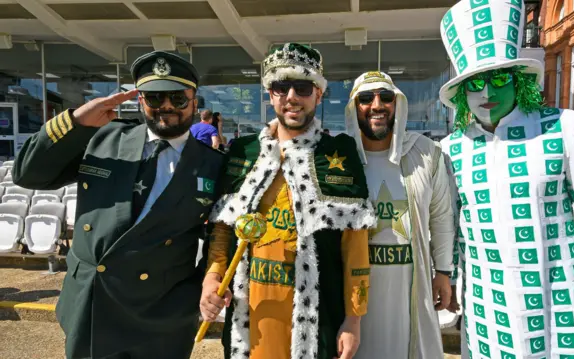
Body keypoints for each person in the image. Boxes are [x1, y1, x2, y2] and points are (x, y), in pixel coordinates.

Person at [438, 1, 574, 358]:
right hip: (486, 309)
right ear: (462, 92)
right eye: (476, 82)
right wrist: (450, 284)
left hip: (559, 304)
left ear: (519, 78)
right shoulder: (452, 148)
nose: (488, 93)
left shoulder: (564, 126)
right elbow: (454, 227)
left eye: (499, 78)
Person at [12, 51, 226, 359]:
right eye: (154, 98)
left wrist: (205, 283)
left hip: (163, 313)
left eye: (178, 99)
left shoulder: (213, 164)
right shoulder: (104, 137)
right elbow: (28, 174)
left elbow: (220, 233)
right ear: (140, 101)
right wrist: (76, 121)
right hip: (92, 305)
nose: (166, 107)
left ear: (195, 102)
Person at [199, 43, 376, 359]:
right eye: (281, 86)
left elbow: (355, 244)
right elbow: (223, 230)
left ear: (318, 95)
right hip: (251, 317)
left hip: (318, 318)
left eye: (303, 87)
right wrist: (211, 279)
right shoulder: (243, 152)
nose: (291, 96)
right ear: (270, 94)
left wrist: (354, 318)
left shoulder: (339, 154)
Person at [345, 71, 455, 359]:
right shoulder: (341, 158)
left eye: (386, 97)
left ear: (398, 104)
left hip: (411, 286)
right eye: (366, 98)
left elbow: (442, 216)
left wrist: (443, 270)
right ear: (355, 107)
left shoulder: (426, 153)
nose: (377, 105)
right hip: (355, 290)